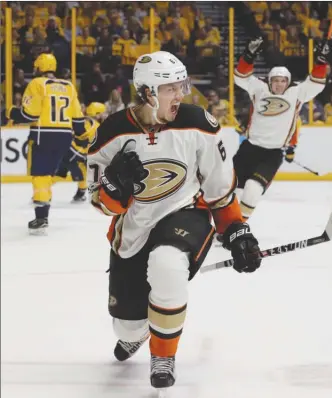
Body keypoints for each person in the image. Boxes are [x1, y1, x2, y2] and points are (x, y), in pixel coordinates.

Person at [87, 51, 262, 390]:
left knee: (166, 264)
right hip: (133, 231)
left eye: (181, 85)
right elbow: (101, 204)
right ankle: (141, 328)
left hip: (186, 214)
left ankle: (163, 356)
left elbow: (218, 189)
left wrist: (236, 229)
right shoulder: (111, 133)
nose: (180, 94)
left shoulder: (199, 123)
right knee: (126, 327)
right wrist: (113, 187)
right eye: (170, 88)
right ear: (147, 92)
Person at [233, 37, 329, 221]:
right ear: (269, 80)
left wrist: (321, 62)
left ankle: (237, 226)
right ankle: (224, 224)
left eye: (283, 81)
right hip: (249, 149)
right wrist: (248, 56)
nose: (279, 84)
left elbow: (316, 83)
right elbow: (240, 77)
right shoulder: (259, 88)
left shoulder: (297, 93)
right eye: (275, 80)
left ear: (288, 82)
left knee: (253, 188)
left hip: (273, 153)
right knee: (232, 189)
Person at [6, 53, 85, 234]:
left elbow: (29, 115)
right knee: (49, 174)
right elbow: (78, 121)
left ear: (39, 67)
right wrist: (81, 136)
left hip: (44, 135)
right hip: (65, 136)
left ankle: (41, 216)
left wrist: (10, 112)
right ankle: (44, 207)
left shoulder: (37, 84)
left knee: (40, 175)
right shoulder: (68, 86)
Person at [55, 102, 107, 202]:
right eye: (102, 113)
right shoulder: (95, 125)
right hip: (74, 154)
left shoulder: (86, 121)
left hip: (70, 152)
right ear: (97, 113)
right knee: (79, 174)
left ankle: (42, 190)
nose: (104, 115)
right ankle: (79, 194)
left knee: (63, 174)